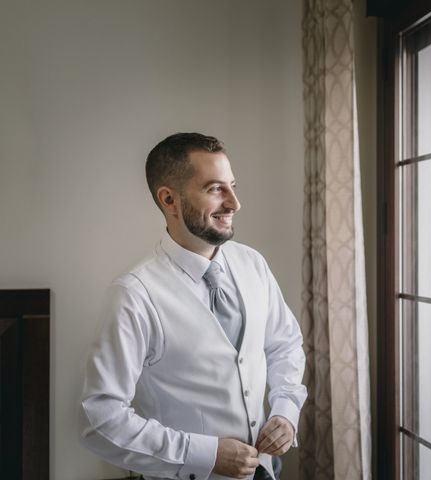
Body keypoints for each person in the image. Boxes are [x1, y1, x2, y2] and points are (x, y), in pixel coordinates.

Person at [79, 133, 307, 480]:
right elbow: (100, 420)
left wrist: (286, 411)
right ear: (170, 200)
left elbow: (284, 345)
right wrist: (206, 455)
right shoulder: (134, 296)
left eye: (232, 186)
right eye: (216, 189)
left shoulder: (253, 264)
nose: (234, 203)